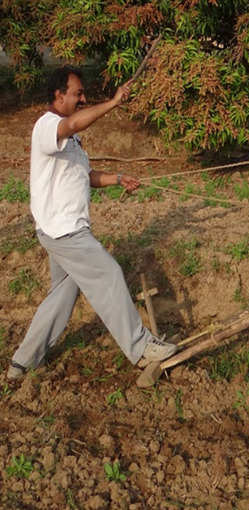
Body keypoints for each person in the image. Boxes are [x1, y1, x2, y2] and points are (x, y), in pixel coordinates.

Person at [6, 66, 177, 380]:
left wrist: (118, 178)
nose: (83, 98)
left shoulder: (72, 140)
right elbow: (70, 123)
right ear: (59, 95)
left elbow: (83, 175)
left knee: (63, 293)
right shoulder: (48, 126)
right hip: (64, 230)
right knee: (109, 273)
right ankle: (140, 348)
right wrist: (113, 104)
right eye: (77, 93)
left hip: (64, 228)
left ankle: (22, 363)